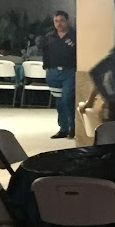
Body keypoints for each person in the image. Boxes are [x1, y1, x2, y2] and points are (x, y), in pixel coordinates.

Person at [42, 10, 78, 139]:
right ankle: (63, 129)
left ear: (67, 21)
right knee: (59, 102)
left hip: (69, 72)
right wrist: (46, 68)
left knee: (67, 98)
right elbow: (45, 54)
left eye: (61, 20)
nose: (59, 23)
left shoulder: (75, 36)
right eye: (56, 21)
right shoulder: (49, 37)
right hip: (53, 73)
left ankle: (73, 127)